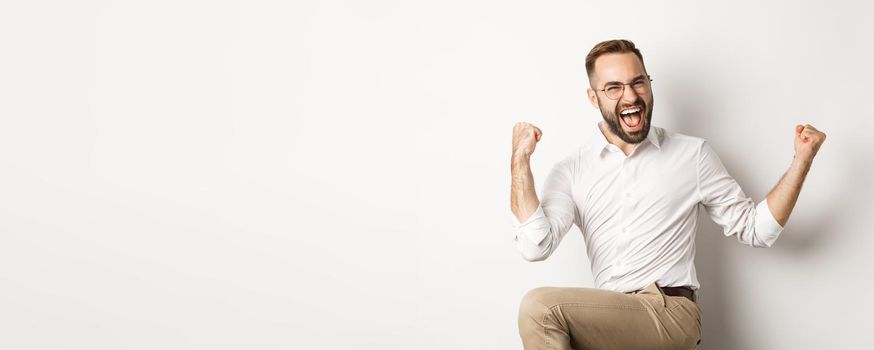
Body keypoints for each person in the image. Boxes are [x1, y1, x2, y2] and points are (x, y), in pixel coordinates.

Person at [509, 39, 826, 350]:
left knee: (540, 307)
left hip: (670, 313)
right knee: (552, 328)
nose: (630, 96)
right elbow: (535, 245)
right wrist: (520, 161)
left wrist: (802, 161)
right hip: (609, 322)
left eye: (638, 82)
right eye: (614, 87)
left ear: (649, 83)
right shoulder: (572, 170)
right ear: (593, 97)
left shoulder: (692, 155)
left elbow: (757, 229)